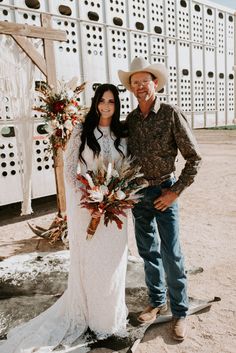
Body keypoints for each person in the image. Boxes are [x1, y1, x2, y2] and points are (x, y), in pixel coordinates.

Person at [0, 84, 128, 353]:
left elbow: (125, 170)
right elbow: (70, 170)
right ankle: (95, 320)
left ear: (117, 106)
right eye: (102, 101)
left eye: (111, 101)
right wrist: (89, 198)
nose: (106, 106)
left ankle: (110, 319)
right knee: (93, 266)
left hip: (116, 213)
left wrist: (115, 197)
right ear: (95, 103)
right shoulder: (82, 131)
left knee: (113, 267)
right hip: (88, 210)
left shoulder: (122, 133)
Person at [118, 57, 202, 341]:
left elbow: (194, 158)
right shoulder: (130, 120)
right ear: (131, 87)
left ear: (155, 83)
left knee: (172, 253)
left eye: (145, 81)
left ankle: (180, 311)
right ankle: (157, 302)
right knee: (148, 252)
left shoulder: (170, 113)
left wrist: (175, 191)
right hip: (139, 194)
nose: (141, 86)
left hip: (165, 190)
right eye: (135, 82)